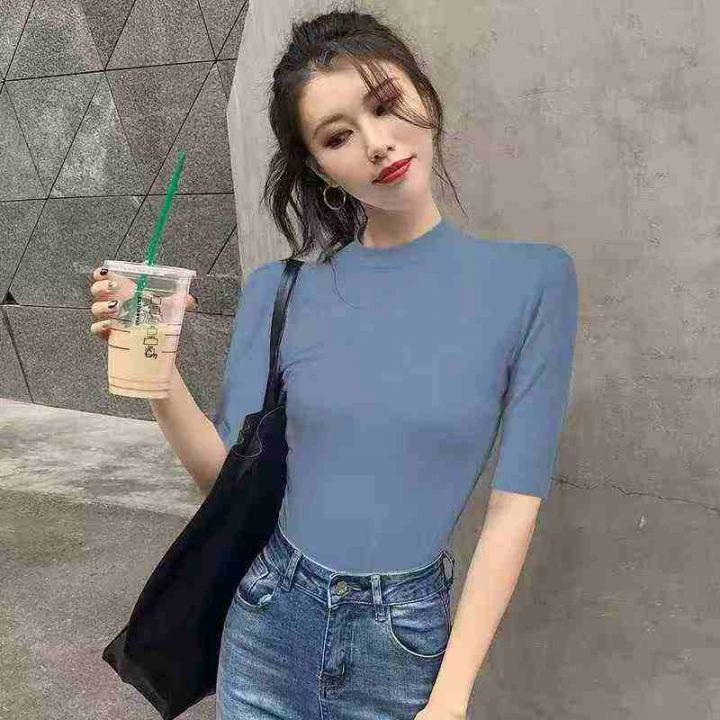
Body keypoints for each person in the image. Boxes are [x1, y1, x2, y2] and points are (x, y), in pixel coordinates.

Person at [89, 7, 578, 720]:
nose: (378, 144)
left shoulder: (534, 282)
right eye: (338, 136)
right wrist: (158, 375)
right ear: (320, 169)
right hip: (267, 622)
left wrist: (451, 697)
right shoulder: (280, 291)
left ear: (423, 94)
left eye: (384, 104)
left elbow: (514, 505)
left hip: (403, 645)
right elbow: (223, 479)